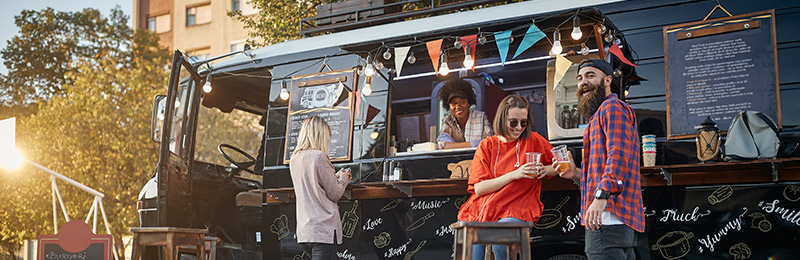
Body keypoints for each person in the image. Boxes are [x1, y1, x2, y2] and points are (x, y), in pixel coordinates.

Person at [557, 59, 644, 260]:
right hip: (612, 221)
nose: (583, 82)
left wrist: (601, 195)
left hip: (608, 219)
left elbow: (619, 154)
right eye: (579, 78)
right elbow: (607, 165)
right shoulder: (599, 114)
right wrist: (577, 174)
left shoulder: (611, 108)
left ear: (607, 80)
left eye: (590, 76)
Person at [457, 94, 559, 260]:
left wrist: (545, 170)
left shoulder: (534, 139)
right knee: (472, 243)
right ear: (502, 118)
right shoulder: (487, 145)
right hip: (486, 207)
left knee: (500, 234)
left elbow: (560, 164)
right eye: (513, 122)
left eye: (523, 122)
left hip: (518, 207)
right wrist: (514, 175)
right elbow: (479, 188)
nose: (519, 127)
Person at [289, 115, 352, 260]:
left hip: (305, 231)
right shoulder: (319, 156)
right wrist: (344, 177)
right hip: (323, 231)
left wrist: (334, 176)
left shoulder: (295, 158)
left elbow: (313, 183)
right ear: (320, 135)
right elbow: (335, 193)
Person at [436, 78, 493, 148]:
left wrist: (454, 146)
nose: (458, 106)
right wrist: (474, 144)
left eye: (462, 102)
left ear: (468, 103)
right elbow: (442, 144)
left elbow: (489, 143)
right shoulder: (448, 120)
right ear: (449, 107)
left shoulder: (481, 117)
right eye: (454, 103)